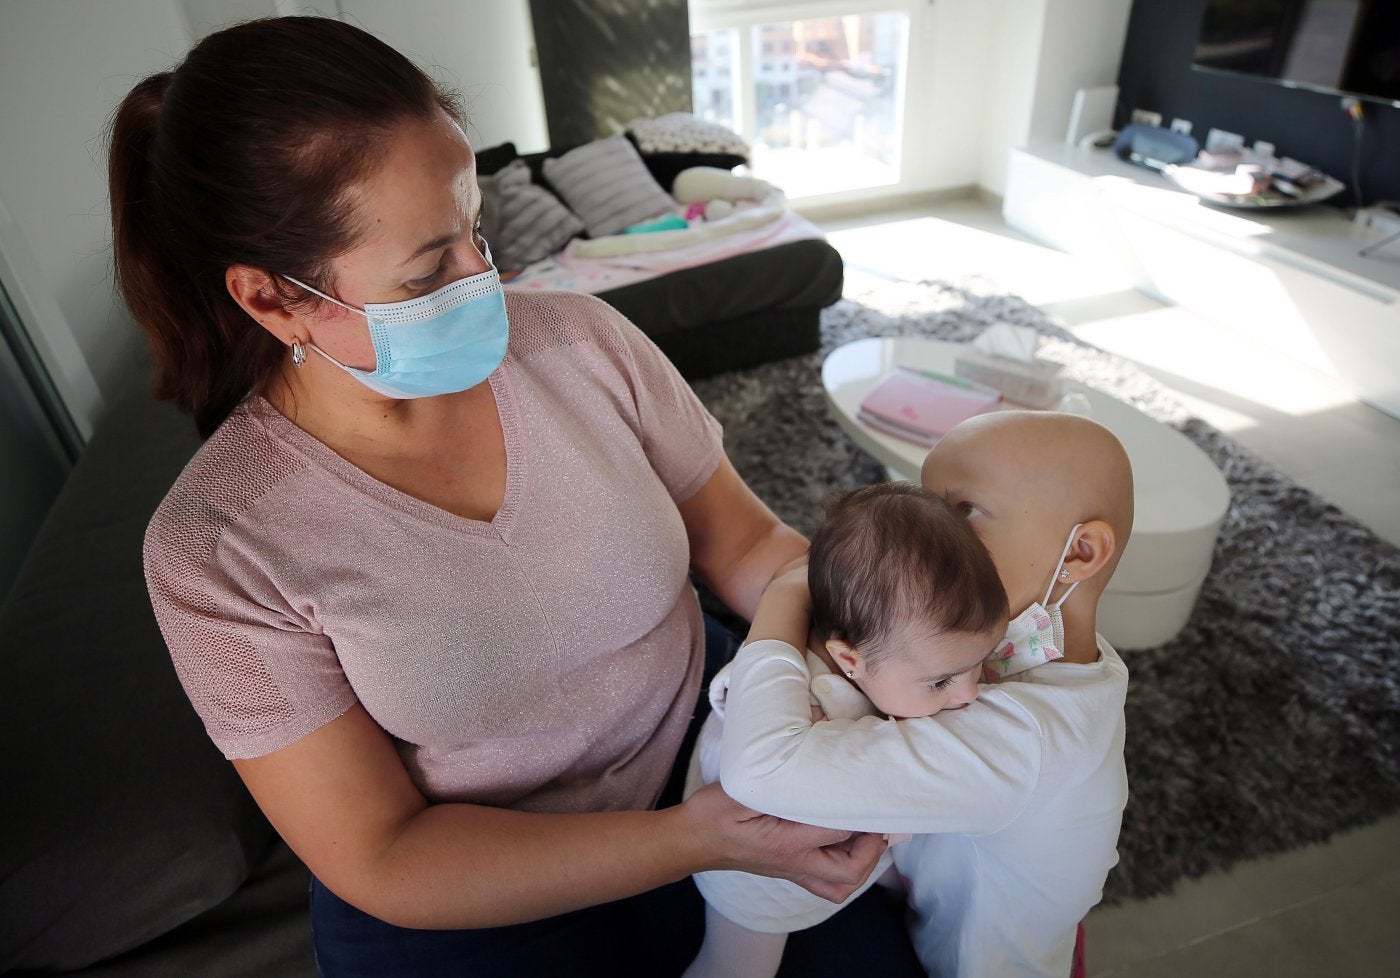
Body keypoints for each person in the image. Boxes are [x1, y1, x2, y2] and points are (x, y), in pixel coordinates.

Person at [110, 16, 922, 977]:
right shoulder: (219, 546)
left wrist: (887, 648)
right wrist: (701, 841)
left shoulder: (583, 344)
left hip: (713, 757)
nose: (485, 281)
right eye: (428, 269)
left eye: (476, 231)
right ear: (270, 299)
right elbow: (382, 854)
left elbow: (748, 550)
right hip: (475, 894)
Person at [693, 410, 1133, 978]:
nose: (919, 536)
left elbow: (761, 770)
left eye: (961, 512)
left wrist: (785, 595)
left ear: (1078, 555)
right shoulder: (1064, 659)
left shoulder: (1022, 743)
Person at [682, 481, 1008, 978]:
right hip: (753, 872)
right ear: (848, 660)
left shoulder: (873, 658)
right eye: (941, 681)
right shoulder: (815, 713)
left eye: (976, 665)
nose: (968, 694)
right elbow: (896, 804)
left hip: (837, 850)